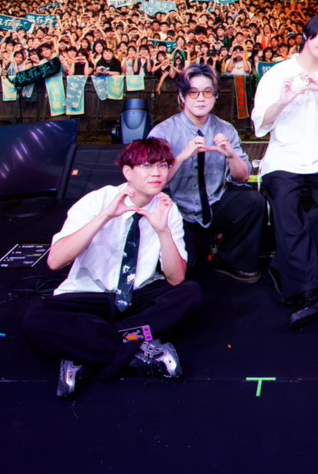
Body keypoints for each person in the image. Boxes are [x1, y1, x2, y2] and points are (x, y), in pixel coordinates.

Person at [20, 138, 200, 398]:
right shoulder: (96, 201)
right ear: (128, 172)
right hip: (89, 293)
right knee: (36, 317)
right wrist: (105, 216)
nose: (157, 173)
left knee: (190, 293)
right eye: (147, 165)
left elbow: (176, 278)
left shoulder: (166, 207)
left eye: (162, 165)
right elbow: (55, 261)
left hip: (137, 294)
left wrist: (163, 231)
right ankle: (135, 348)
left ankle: (86, 348)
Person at [251, 14, 318, 327]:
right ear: (307, 35)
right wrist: (283, 100)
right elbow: (261, 124)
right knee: (285, 206)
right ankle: (312, 289)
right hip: (284, 157)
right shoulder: (277, 74)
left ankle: (282, 265)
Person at [148, 63, 266, 284]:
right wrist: (181, 157)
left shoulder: (226, 129)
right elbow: (152, 184)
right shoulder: (163, 132)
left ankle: (231, 260)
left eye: (207, 92)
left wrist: (231, 155)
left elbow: (242, 177)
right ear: (182, 96)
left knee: (253, 201)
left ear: (215, 96)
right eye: (193, 92)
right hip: (177, 210)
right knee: (189, 272)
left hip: (214, 203)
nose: (200, 99)